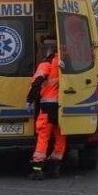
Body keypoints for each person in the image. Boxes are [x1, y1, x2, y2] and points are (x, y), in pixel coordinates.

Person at [26, 40, 65, 180]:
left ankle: (37, 169)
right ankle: (55, 168)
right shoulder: (65, 63)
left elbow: (36, 83)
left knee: (43, 137)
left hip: (48, 107)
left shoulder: (46, 64)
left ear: (48, 50)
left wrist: (30, 100)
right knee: (60, 137)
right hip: (63, 107)